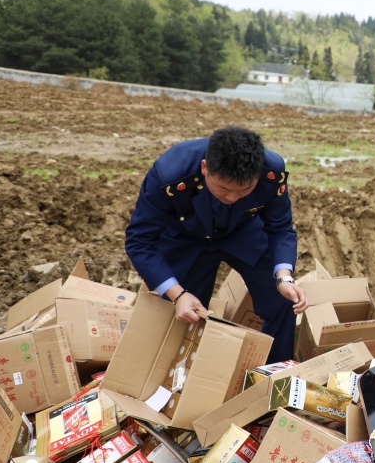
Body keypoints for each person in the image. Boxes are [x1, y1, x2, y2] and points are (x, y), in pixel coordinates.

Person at [125, 125, 307, 363]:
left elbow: (280, 227)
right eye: (224, 188)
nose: (232, 198)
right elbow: (140, 241)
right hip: (185, 236)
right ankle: (182, 380)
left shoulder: (271, 170)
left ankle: (276, 374)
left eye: (244, 190)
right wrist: (178, 295)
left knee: (282, 298)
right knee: (186, 315)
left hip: (242, 230)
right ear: (205, 168)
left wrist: (284, 277)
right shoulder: (170, 173)